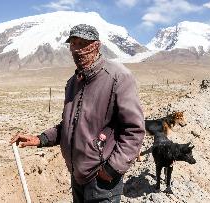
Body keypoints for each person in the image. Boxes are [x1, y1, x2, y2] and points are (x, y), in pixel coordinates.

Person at [10, 24, 145, 203]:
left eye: (83, 43)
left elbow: (134, 129)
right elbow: (68, 125)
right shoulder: (73, 83)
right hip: (77, 177)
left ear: (96, 46)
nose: (77, 50)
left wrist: (111, 169)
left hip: (102, 181)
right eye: (73, 44)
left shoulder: (118, 77)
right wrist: (40, 139)